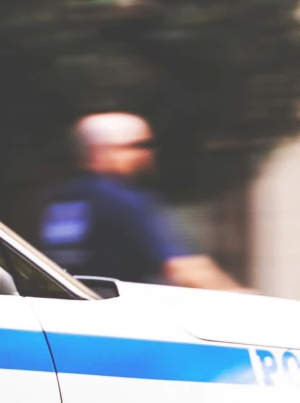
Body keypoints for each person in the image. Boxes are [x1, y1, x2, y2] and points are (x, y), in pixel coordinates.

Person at [37, 112, 245, 290]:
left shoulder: (57, 197)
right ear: (103, 150)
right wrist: (241, 299)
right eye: (138, 145)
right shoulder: (121, 199)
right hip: (123, 317)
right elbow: (183, 267)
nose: (147, 154)